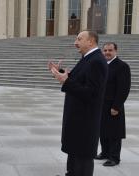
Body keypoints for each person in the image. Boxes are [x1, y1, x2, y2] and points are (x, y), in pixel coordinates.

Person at [48, 31, 108, 176]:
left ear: (91, 41)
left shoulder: (96, 61)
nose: (75, 42)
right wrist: (62, 72)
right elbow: (80, 79)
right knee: (74, 152)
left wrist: (66, 81)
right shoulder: (88, 58)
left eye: (79, 39)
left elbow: (92, 93)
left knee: (82, 158)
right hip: (78, 119)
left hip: (85, 120)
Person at [95, 42, 131, 167]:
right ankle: (105, 153)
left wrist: (116, 106)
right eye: (105, 50)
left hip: (114, 105)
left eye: (110, 50)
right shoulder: (102, 65)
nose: (107, 53)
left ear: (116, 51)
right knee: (103, 130)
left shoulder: (122, 66)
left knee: (115, 133)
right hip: (101, 105)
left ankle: (114, 157)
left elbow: (124, 89)